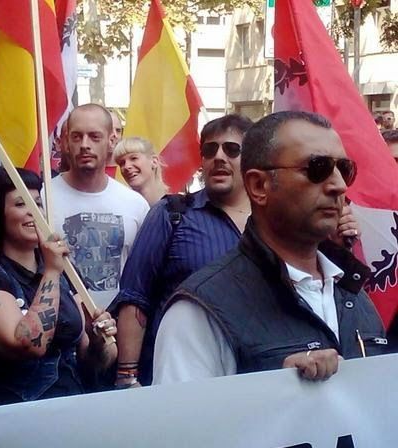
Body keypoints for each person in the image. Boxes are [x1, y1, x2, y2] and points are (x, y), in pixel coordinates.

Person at [153, 111, 387, 384]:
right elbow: (182, 422)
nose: (338, 185)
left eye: (344, 170)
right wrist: (271, 390)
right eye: (317, 168)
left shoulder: (354, 295)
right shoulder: (201, 312)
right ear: (259, 185)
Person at [110, 114, 254, 387]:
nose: (219, 157)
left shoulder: (273, 221)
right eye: (210, 150)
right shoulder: (172, 213)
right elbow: (135, 297)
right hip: (181, 376)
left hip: (255, 376)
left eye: (232, 149)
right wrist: (127, 377)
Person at [0, 166, 117, 406]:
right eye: (21, 204)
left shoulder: (67, 275)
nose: (34, 212)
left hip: (75, 408)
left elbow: (93, 361)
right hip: (18, 417)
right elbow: (29, 344)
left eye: (38, 203)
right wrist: (51, 271)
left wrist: (98, 341)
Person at [49, 103, 150, 310]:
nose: (85, 145)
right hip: (63, 328)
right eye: (77, 137)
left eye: (94, 137)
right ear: (66, 142)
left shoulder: (135, 205)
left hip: (118, 328)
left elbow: (144, 276)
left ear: (112, 140)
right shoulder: (43, 198)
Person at [114, 137, 168, 206]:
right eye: (122, 163)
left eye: (133, 158)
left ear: (154, 161)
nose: (126, 166)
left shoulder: (176, 208)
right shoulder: (119, 208)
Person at [105, 110, 124, 178]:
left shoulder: (129, 169)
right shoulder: (86, 169)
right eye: (109, 129)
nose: (115, 135)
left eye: (118, 130)